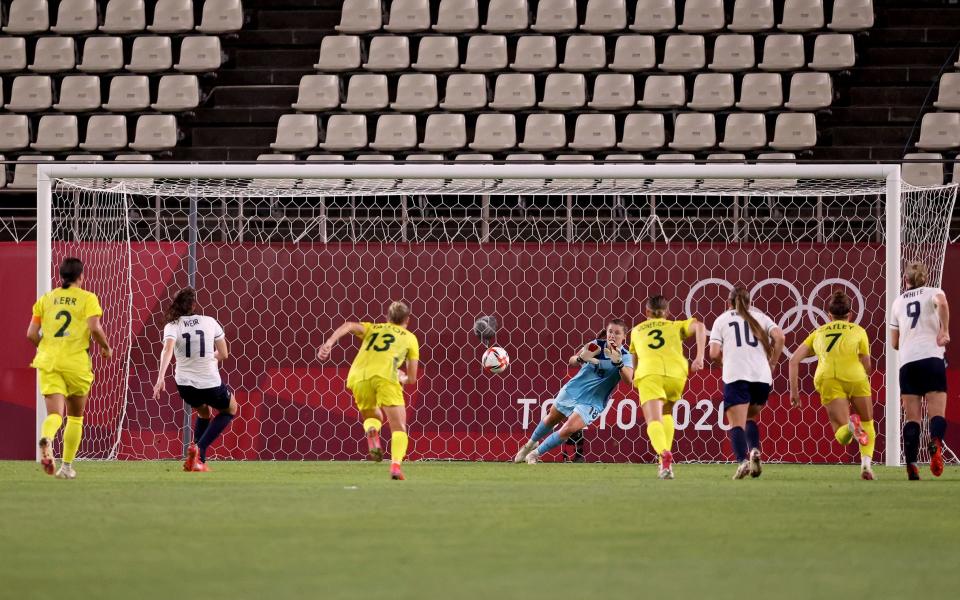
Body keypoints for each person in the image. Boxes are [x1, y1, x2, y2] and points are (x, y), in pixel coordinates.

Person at [28, 257, 113, 479]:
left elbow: (30, 334)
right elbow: (94, 328)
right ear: (81, 276)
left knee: (55, 414)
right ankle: (66, 468)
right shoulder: (87, 298)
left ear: (61, 276)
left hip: (49, 361)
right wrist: (106, 347)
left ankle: (47, 439)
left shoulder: (46, 299)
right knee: (75, 417)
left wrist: (47, 349)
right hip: (76, 362)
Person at [318, 301, 419, 480]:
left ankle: (372, 429)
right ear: (407, 320)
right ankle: (395, 466)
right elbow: (411, 378)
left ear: (387, 317)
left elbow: (348, 325)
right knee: (398, 428)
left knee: (374, 417)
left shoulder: (373, 328)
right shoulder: (410, 338)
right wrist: (401, 377)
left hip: (358, 377)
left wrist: (329, 343)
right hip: (386, 376)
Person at [514, 319, 634, 464]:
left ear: (624, 337)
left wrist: (619, 363)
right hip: (574, 389)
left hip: (593, 401)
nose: (612, 336)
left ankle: (535, 454)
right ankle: (529, 445)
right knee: (552, 417)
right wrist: (580, 358)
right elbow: (572, 361)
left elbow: (628, 380)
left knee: (569, 428)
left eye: (617, 333)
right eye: (610, 331)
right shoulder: (596, 345)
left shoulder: (626, 356)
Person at [788, 291, 876, 480]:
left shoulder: (818, 333)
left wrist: (794, 393)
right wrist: (862, 376)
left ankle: (851, 427)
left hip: (828, 378)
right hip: (855, 375)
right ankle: (866, 466)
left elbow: (793, 361)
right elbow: (867, 364)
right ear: (849, 315)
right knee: (868, 422)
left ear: (829, 316)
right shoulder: (858, 331)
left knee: (841, 433)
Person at [152, 288, 237, 472]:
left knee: (204, 412)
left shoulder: (172, 325)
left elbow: (167, 350)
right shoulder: (209, 322)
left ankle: (196, 461)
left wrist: (160, 378)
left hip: (185, 385)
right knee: (231, 408)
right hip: (209, 382)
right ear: (193, 305)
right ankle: (200, 448)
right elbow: (224, 354)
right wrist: (209, 357)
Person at [709, 287, 785, 479]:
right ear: (750, 302)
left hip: (736, 374)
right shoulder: (761, 318)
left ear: (729, 303)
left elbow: (713, 353)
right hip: (761, 376)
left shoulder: (722, 320)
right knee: (750, 418)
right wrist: (773, 362)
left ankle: (743, 461)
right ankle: (754, 451)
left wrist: (725, 362)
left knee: (736, 423)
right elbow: (780, 337)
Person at [629, 296, 706, 479]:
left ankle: (664, 453)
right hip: (676, 374)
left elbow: (635, 354)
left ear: (647, 312)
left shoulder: (637, 330)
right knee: (666, 414)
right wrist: (699, 357)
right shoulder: (675, 325)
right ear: (667, 312)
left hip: (650, 373)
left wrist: (634, 374)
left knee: (653, 420)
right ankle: (664, 464)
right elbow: (700, 327)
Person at [891, 262, 951, 480]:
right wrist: (943, 330)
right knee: (937, 413)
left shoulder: (897, 302)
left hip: (908, 363)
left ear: (905, 279)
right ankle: (935, 442)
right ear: (925, 278)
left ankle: (912, 464)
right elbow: (942, 303)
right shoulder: (935, 292)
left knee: (912, 418)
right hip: (932, 359)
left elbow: (894, 342)